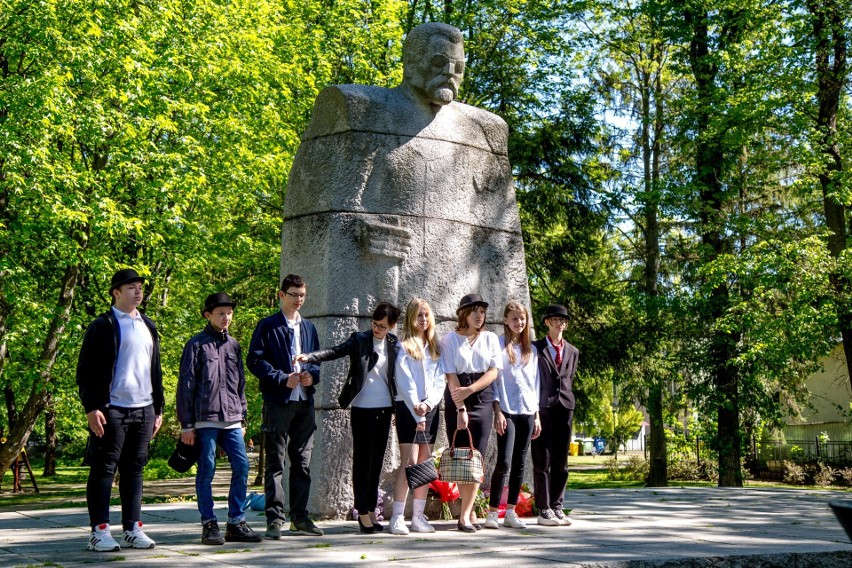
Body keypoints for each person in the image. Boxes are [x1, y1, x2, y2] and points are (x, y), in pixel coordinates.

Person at [76, 268, 164, 552]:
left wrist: (158, 408)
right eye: (130, 288)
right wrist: (92, 407)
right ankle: (99, 531)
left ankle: (133, 528)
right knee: (103, 469)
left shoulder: (148, 325)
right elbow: (86, 372)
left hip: (144, 409)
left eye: (139, 287)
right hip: (111, 409)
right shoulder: (102, 325)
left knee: (134, 471)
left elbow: (155, 370)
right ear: (116, 292)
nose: (138, 291)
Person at [297, 302, 401, 534]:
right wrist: (310, 357)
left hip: (385, 409)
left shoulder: (394, 344)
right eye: (375, 323)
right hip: (362, 408)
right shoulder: (360, 339)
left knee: (376, 464)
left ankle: (372, 510)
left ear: (392, 326)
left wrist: (400, 408)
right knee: (362, 462)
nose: (377, 329)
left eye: (382, 326)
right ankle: (362, 511)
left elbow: (400, 376)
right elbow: (335, 351)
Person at [177, 292, 262, 545]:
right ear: (208, 315)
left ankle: (236, 522)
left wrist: (243, 418)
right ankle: (209, 523)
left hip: (233, 419)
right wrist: (186, 425)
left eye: (229, 313)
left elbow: (241, 384)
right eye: (221, 313)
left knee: (243, 466)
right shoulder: (196, 344)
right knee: (207, 469)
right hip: (204, 420)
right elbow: (186, 386)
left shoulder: (234, 345)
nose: (226, 317)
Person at [247, 274, 324, 538]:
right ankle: (274, 519)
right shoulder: (267, 326)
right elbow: (254, 361)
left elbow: (315, 361)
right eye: (293, 294)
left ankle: (300, 518)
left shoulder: (310, 328)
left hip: (305, 402)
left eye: (302, 295)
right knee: (275, 463)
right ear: (281, 295)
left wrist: (310, 375)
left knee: (302, 462)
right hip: (279, 402)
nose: (299, 300)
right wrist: (282, 379)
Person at [440, 293, 502, 533]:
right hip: (457, 398)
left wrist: (471, 390)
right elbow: (451, 376)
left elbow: (493, 372)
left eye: (483, 311)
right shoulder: (449, 340)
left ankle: (465, 515)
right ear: (463, 314)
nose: (479, 315)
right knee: (462, 457)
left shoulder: (490, 339)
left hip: (482, 398)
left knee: (477, 458)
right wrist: (461, 407)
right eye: (475, 310)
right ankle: (468, 511)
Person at [389, 299, 446, 535]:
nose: (423, 320)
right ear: (411, 318)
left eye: (426, 315)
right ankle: (397, 517)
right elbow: (404, 381)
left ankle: (419, 517)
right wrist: (416, 406)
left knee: (424, 463)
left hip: (430, 408)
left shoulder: (435, 347)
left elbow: (439, 379)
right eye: (419, 315)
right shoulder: (403, 347)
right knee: (408, 462)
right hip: (408, 408)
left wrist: (429, 403)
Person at [484, 302, 540, 529]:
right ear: (506, 320)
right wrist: (497, 410)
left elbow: (535, 384)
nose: (519, 323)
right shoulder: (497, 345)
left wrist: (537, 415)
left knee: (519, 464)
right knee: (504, 462)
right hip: (506, 410)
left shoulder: (531, 350)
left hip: (527, 411)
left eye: (522, 319)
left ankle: (510, 512)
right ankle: (492, 511)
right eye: (515, 318)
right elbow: (494, 381)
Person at [531, 304, 578, 526]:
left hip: (565, 408)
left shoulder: (573, 351)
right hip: (543, 408)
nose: (560, 323)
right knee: (542, 460)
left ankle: (558, 506)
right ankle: (544, 508)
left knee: (562, 461)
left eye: (564, 320)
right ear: (547, 322)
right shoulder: (535, 348)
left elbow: (568, 378)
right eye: (556, 320)